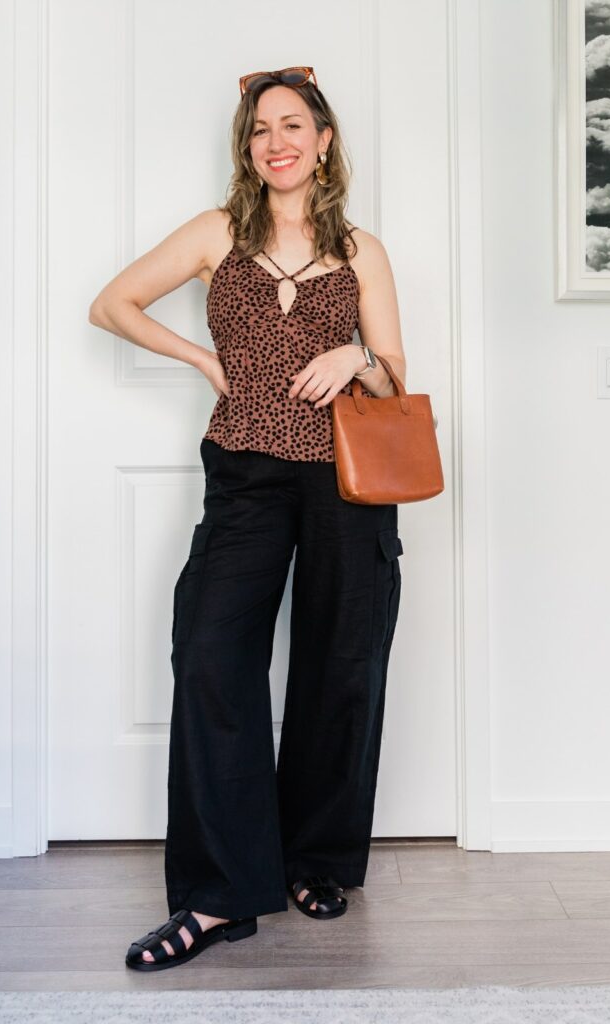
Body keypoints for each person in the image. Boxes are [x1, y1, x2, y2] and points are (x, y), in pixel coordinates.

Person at [88, 66, 406, 972]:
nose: (278, 141)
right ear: (248, 146)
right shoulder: (216, 234)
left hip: (348, 480)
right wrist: (201, 357)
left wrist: (356, 355)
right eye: (262, 128)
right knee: (212, 654)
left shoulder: (362, 251)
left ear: (325, 139)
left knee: (341, 667)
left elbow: (397, 376)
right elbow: (111, 303)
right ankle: (221, 894)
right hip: (247, 474)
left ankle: (315, 859)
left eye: (294, 124)